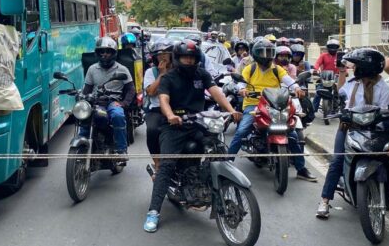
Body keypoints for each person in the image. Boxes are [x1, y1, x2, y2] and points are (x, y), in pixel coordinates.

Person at [143, 40, 242, 232]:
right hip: (174, 126)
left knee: (216, 148)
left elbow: (216, 93)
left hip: (198, 122)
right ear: (178, 58)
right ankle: (153, 211)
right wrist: (171, 115)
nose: (188, 61)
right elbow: (163, 100)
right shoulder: (168, 77)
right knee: (166, 166)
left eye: (192, 57)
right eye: (184, 57)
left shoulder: (201, 74)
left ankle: (200, 183)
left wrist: (231, 110)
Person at [317, 48, 389, 219]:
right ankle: (325, 200)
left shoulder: (385, 89)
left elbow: (386, 113)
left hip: (376, 130)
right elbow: (340, 92)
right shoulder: (353, 83)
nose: (353, 68)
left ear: (365, 68)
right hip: (349, 127)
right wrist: (341, 72)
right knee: (337, 160)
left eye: (356, 66)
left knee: (388, 154)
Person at [227, 40, 318, 182]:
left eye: (269, 52)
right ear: (257, 54)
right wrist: (242, 89)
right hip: (254, 105)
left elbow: (289, 81)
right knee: (242, 131)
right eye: (263, 52)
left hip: (274, 105)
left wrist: (297, 89)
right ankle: (227, 164)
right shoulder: (250, 69)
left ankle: (301, 169)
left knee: (292, 134)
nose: (267, 56)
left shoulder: (277, 69)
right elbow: (241, 82)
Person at [82, 37, 134, 159]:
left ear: (113, 53)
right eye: (102, 51)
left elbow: (131, 89)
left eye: (108, 51)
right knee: (85, 117)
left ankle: (121, 150)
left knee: (118, 116)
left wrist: (123, 103)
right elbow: (87, 88)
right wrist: (83, 99)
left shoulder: (122, 69)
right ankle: (82, 143)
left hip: (113, 102)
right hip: (97, 102)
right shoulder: (92, 69)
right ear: (98, 53)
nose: (104, 54)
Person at [143, 40, 175, 180]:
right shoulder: (152, 71)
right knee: (152, 130)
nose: (162, 57)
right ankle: (157, 163)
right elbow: (151, 92)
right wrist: (162, 74)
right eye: (159, 55)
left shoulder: (178, 70)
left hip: (176, 108)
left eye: (165, 54)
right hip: (156, 109)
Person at [312, 39, 341, 113]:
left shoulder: (339, 56)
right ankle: (312, 110)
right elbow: (317, 63)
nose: (333, 48)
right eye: (331, 46)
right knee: (318, 92)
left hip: (337, 77)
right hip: (325, 77)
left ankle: (341, 109)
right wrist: (315, 69)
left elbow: (344, 66)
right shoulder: (323, 55)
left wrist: (346, 72)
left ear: (337, 47)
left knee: (340, 93)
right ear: (327, 47)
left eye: (334, 46)